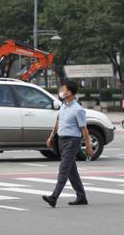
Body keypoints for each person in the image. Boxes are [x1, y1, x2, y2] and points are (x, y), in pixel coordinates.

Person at [42, 80, 93, 208]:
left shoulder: (78, 110)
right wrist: (51, 136)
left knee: (63, 169)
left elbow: (84, 129)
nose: (61, 91)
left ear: (69, 93)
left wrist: (88, 146)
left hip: (72, 141)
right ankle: (81, 197)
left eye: (63, 89)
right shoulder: (63, 105)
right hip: (61, 140)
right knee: (71, 171)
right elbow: (58, 121)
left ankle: (54, 197)